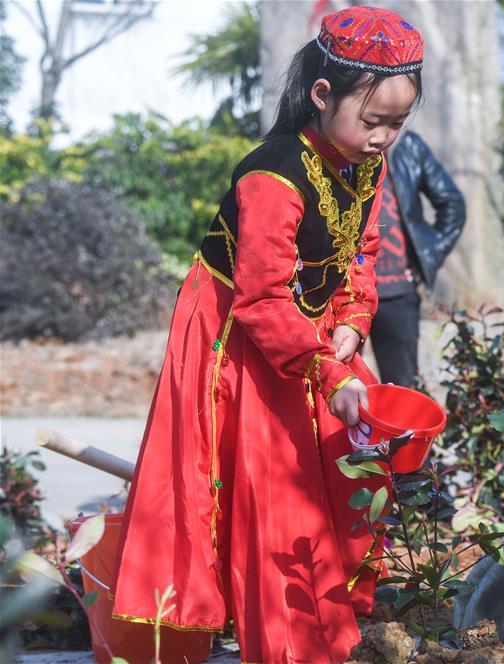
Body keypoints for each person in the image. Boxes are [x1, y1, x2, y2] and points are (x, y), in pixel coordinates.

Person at [110, 7, 423, 662]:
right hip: (237, 326)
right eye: (373, 122)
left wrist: (352, 322)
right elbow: (260, 297)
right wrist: (327, 370)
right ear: (320, 95)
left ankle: (322, 626)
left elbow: (359, 253)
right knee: (270, 482)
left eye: (397, 123)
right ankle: (286, 641)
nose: (384, 139)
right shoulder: (273, 176)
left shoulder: (364, 161)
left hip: (305, 330)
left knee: (341, 463)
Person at [369, 131, 466, 386]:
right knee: (335, 390)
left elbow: (452, 203)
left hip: (396, 290)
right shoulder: (335, 141)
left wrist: (429, 254)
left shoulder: (407, 145)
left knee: (402, 390)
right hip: (341, 292)